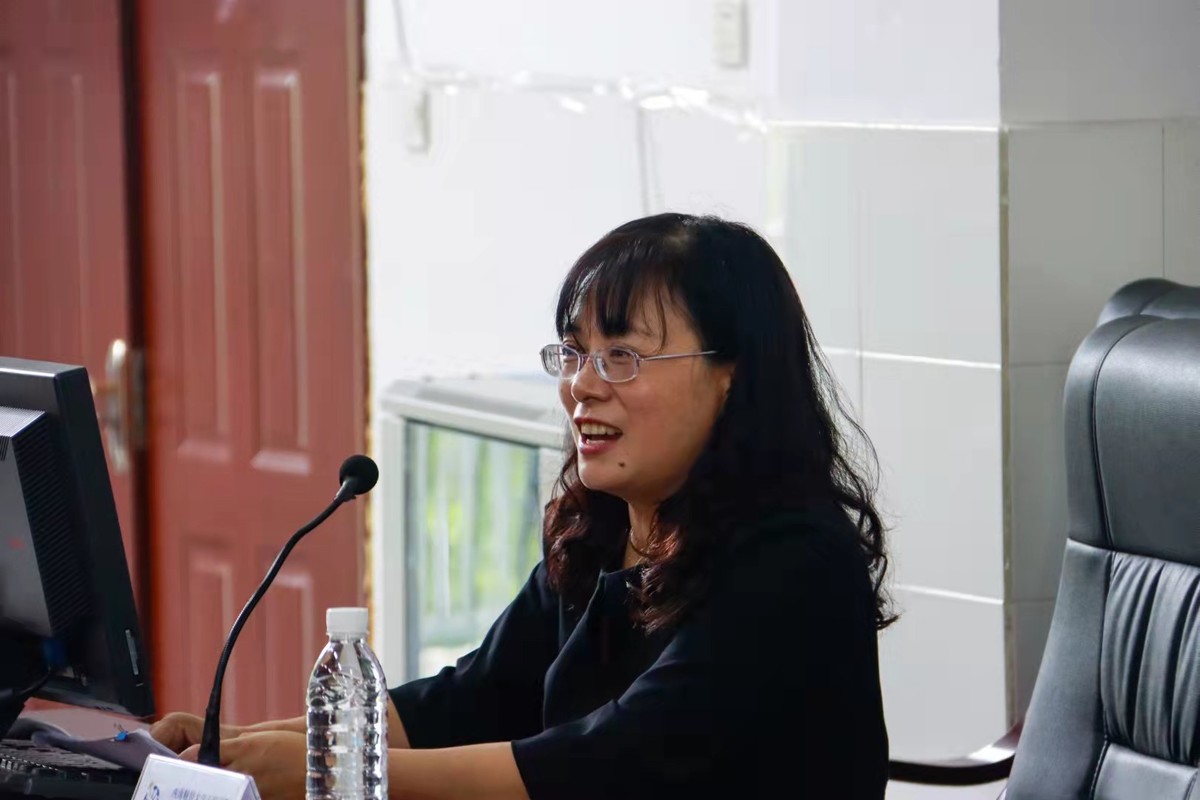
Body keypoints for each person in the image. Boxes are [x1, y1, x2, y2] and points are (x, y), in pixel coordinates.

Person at [152, 213, 892, 799]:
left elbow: (609, 763)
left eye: (622, 356)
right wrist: (236, 746)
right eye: (573, 353)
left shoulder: (794, 561)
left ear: (731, 376)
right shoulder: (604, 532)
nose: (582, 386)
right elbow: (472, 699)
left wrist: (336, 772)